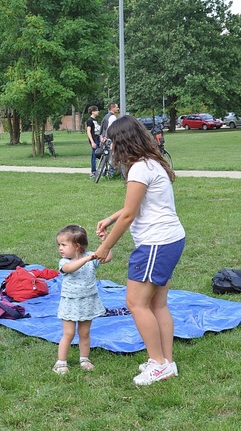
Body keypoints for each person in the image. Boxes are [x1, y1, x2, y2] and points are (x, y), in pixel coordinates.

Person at [94, 115, 185, 386]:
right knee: (158, 303)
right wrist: (110, 218)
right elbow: (135, 206)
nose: (109, 147)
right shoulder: (152, 163)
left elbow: (130, 215)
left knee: (135, 303)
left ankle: (157, 363)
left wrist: (104, 247)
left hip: (156, 244)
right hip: (170, 239)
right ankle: (166, 363)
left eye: (111, 142)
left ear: (123, 141)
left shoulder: (139, 168)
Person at [52, 224, 112, 375]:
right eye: (59, 244)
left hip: (88, 301)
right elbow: (70, 268)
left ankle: (84, 359)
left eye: (63, 245)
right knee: (69, 333)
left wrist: (105, 242)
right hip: (70, 302)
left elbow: (108, 257)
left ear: (77, 246)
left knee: (85, 333)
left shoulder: (90, 257)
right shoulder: (64, 262)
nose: (60, 248)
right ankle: (61, 362)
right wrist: (88, 259)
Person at [86, 106, 101, 178]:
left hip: (97, 139)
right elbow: (88, 131)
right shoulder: (89, 120)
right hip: (94, 140)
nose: (98, 112)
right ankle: (93, 171)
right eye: (96, 110)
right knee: (94, 155)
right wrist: (92, 142)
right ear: (93, 112)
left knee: (97, 154)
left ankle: (96, 170)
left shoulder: (95, 120)